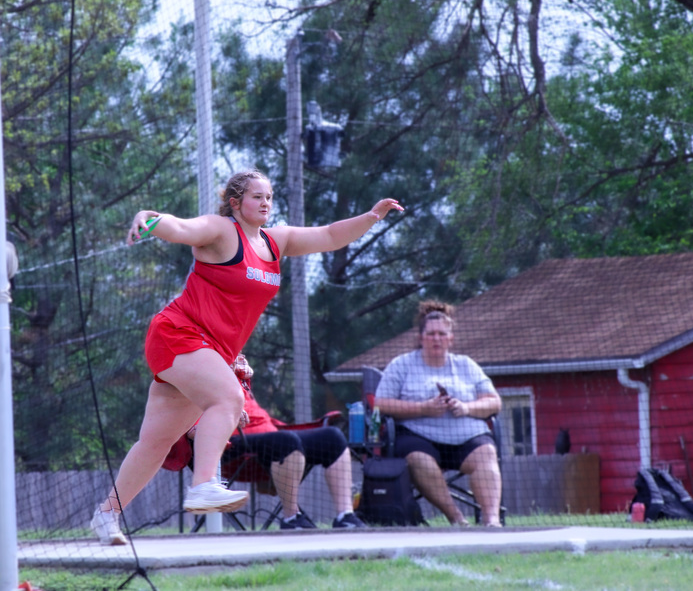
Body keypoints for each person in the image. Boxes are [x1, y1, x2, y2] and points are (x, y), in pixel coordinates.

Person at [92, 170, 403, 545]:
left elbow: (330, 235)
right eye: (257, 196)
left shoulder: (277, 240)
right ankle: (204, 484)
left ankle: (106, 515)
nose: (266, 202)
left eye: (269, 196)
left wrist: (371, 217)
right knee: (228, 398)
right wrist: (150, 219)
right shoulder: (221, 231)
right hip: (178, 333)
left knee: (155, 443)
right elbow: (182, 228)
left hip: (211, 350)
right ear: (236, 203)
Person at [197, 354, 367, 530]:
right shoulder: (196, 368)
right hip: (229, 443)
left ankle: (346, 516)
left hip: (268, 435)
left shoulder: (234, 364)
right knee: (285, 441)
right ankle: (292, 517)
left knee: (333, 438)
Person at [373, 300, 503, 527]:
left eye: (442, 334)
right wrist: (423, 408)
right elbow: (380, 404)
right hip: (417, 436)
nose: (436, 339)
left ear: (451, 339)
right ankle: (457, 519)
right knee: (416, 458)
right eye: (431, 334)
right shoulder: (401, 365)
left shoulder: (467, 365)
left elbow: (494, 402)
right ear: (421, 337)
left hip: (466, 435)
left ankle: (491, 521)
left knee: (487, 453)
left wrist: (466, 407)